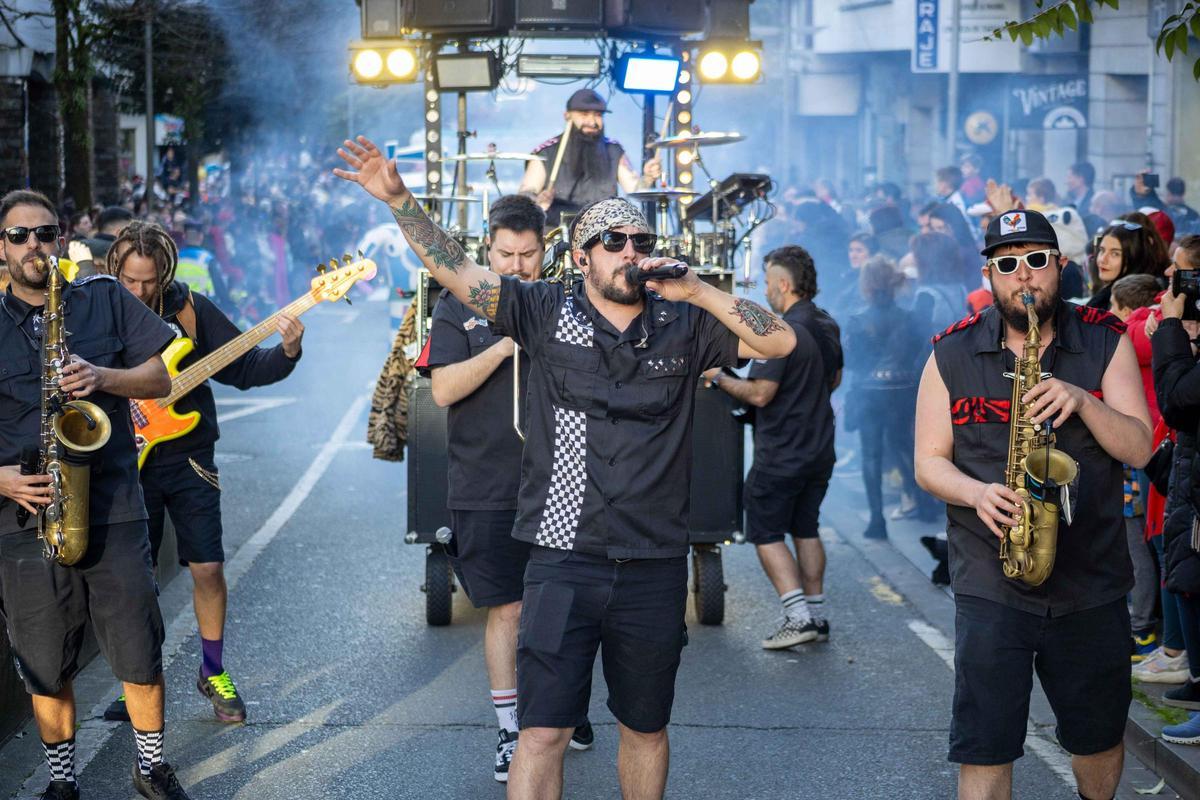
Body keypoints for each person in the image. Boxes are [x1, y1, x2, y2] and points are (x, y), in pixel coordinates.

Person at [334, 134, 795, 800]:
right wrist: (401, 199)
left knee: (645, 729)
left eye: (639, 240)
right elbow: (456, 270)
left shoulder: (684, 324)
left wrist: (697, 290)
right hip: (562, 559)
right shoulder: (544, 311)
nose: (630, 251)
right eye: (613, 241)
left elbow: (779, 340)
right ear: (580, 258)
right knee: (541, 734)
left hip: (654, 561)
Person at [915, 208, 1153, 799]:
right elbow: (928, 462)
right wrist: (976, 493)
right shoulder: (950, 353)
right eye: (1007, 264)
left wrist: (1084, 400)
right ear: (989, 275)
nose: (1023, 275)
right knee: (986, 743)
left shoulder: (1105, 340)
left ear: (1060, 266)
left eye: (1036, 260)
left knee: (1097, 738)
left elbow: (1141, 447)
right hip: (991, 578)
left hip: (1091, 577)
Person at [0, 190, 194, 800]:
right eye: (19, 236)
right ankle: (63, 781)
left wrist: (101, 376)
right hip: (23, 513)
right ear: (2, 249)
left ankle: (151, 767)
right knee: (42, 659)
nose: (33, 244)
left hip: (112, 505)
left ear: (59, 239)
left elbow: (160, 377)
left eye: (44, 232)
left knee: (138, 643)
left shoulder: (102, 296)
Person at [99, 220, 304, 727]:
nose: (138, 290)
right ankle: (139, 679)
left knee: (208, 567)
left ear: (164, 274)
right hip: (126, 460)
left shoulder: (190, 310)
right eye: (129, 280)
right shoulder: (100, 308)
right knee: (137, 577)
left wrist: (288, 352)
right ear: (115, 271)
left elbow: (244, 368)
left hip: (190, 459)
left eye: (148, 281)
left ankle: (212, 669)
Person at [419, 196, 592, 781]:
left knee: (568, 603)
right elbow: (443, 390)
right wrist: (504, 343)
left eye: (527, 254)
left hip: (563, 479)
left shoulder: (568, 302)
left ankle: (563, 708)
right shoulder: (457, 304)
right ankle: (509, 728)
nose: (516, 265)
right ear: (487, 249)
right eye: (505, 254)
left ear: (546, 250)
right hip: (486, 483)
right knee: (509, 608)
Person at [702, 245, 841, 648]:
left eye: (766, 283)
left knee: (765, 531)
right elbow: (834, 380)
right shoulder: (827, 323)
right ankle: (816, 615)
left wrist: (717, 376)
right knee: (806, 527)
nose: (764, 291)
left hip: (782, 452)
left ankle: (797, 618)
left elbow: (761, 393)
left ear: (783, 284)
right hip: (820, 448)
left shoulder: (782, 331)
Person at [845, 256, 927, 539]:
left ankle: (876, 520)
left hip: (869, 394)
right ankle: (921, 503)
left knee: (871, 454)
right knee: (903, 445)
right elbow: (919, 354)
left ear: (866, 285)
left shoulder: (857, 321)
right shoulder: (910, 318)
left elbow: (852, 362)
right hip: (902, 392)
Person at [518, 89, 662, 226]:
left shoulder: (613, 150)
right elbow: (525, 195)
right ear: (567, 116)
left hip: (603, 232)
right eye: (584, 114)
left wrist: (648, 178)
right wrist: (537, 201)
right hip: (557, 231)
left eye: (598, 115)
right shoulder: (546, 152)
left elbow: (633, 189)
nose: (593, 122)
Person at [1088, 221, 1162, 310]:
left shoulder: (1130, 301)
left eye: (1115, 254)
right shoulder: (1106, 294)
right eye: (1102, 250)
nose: (1103, 259)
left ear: (1134, 258)